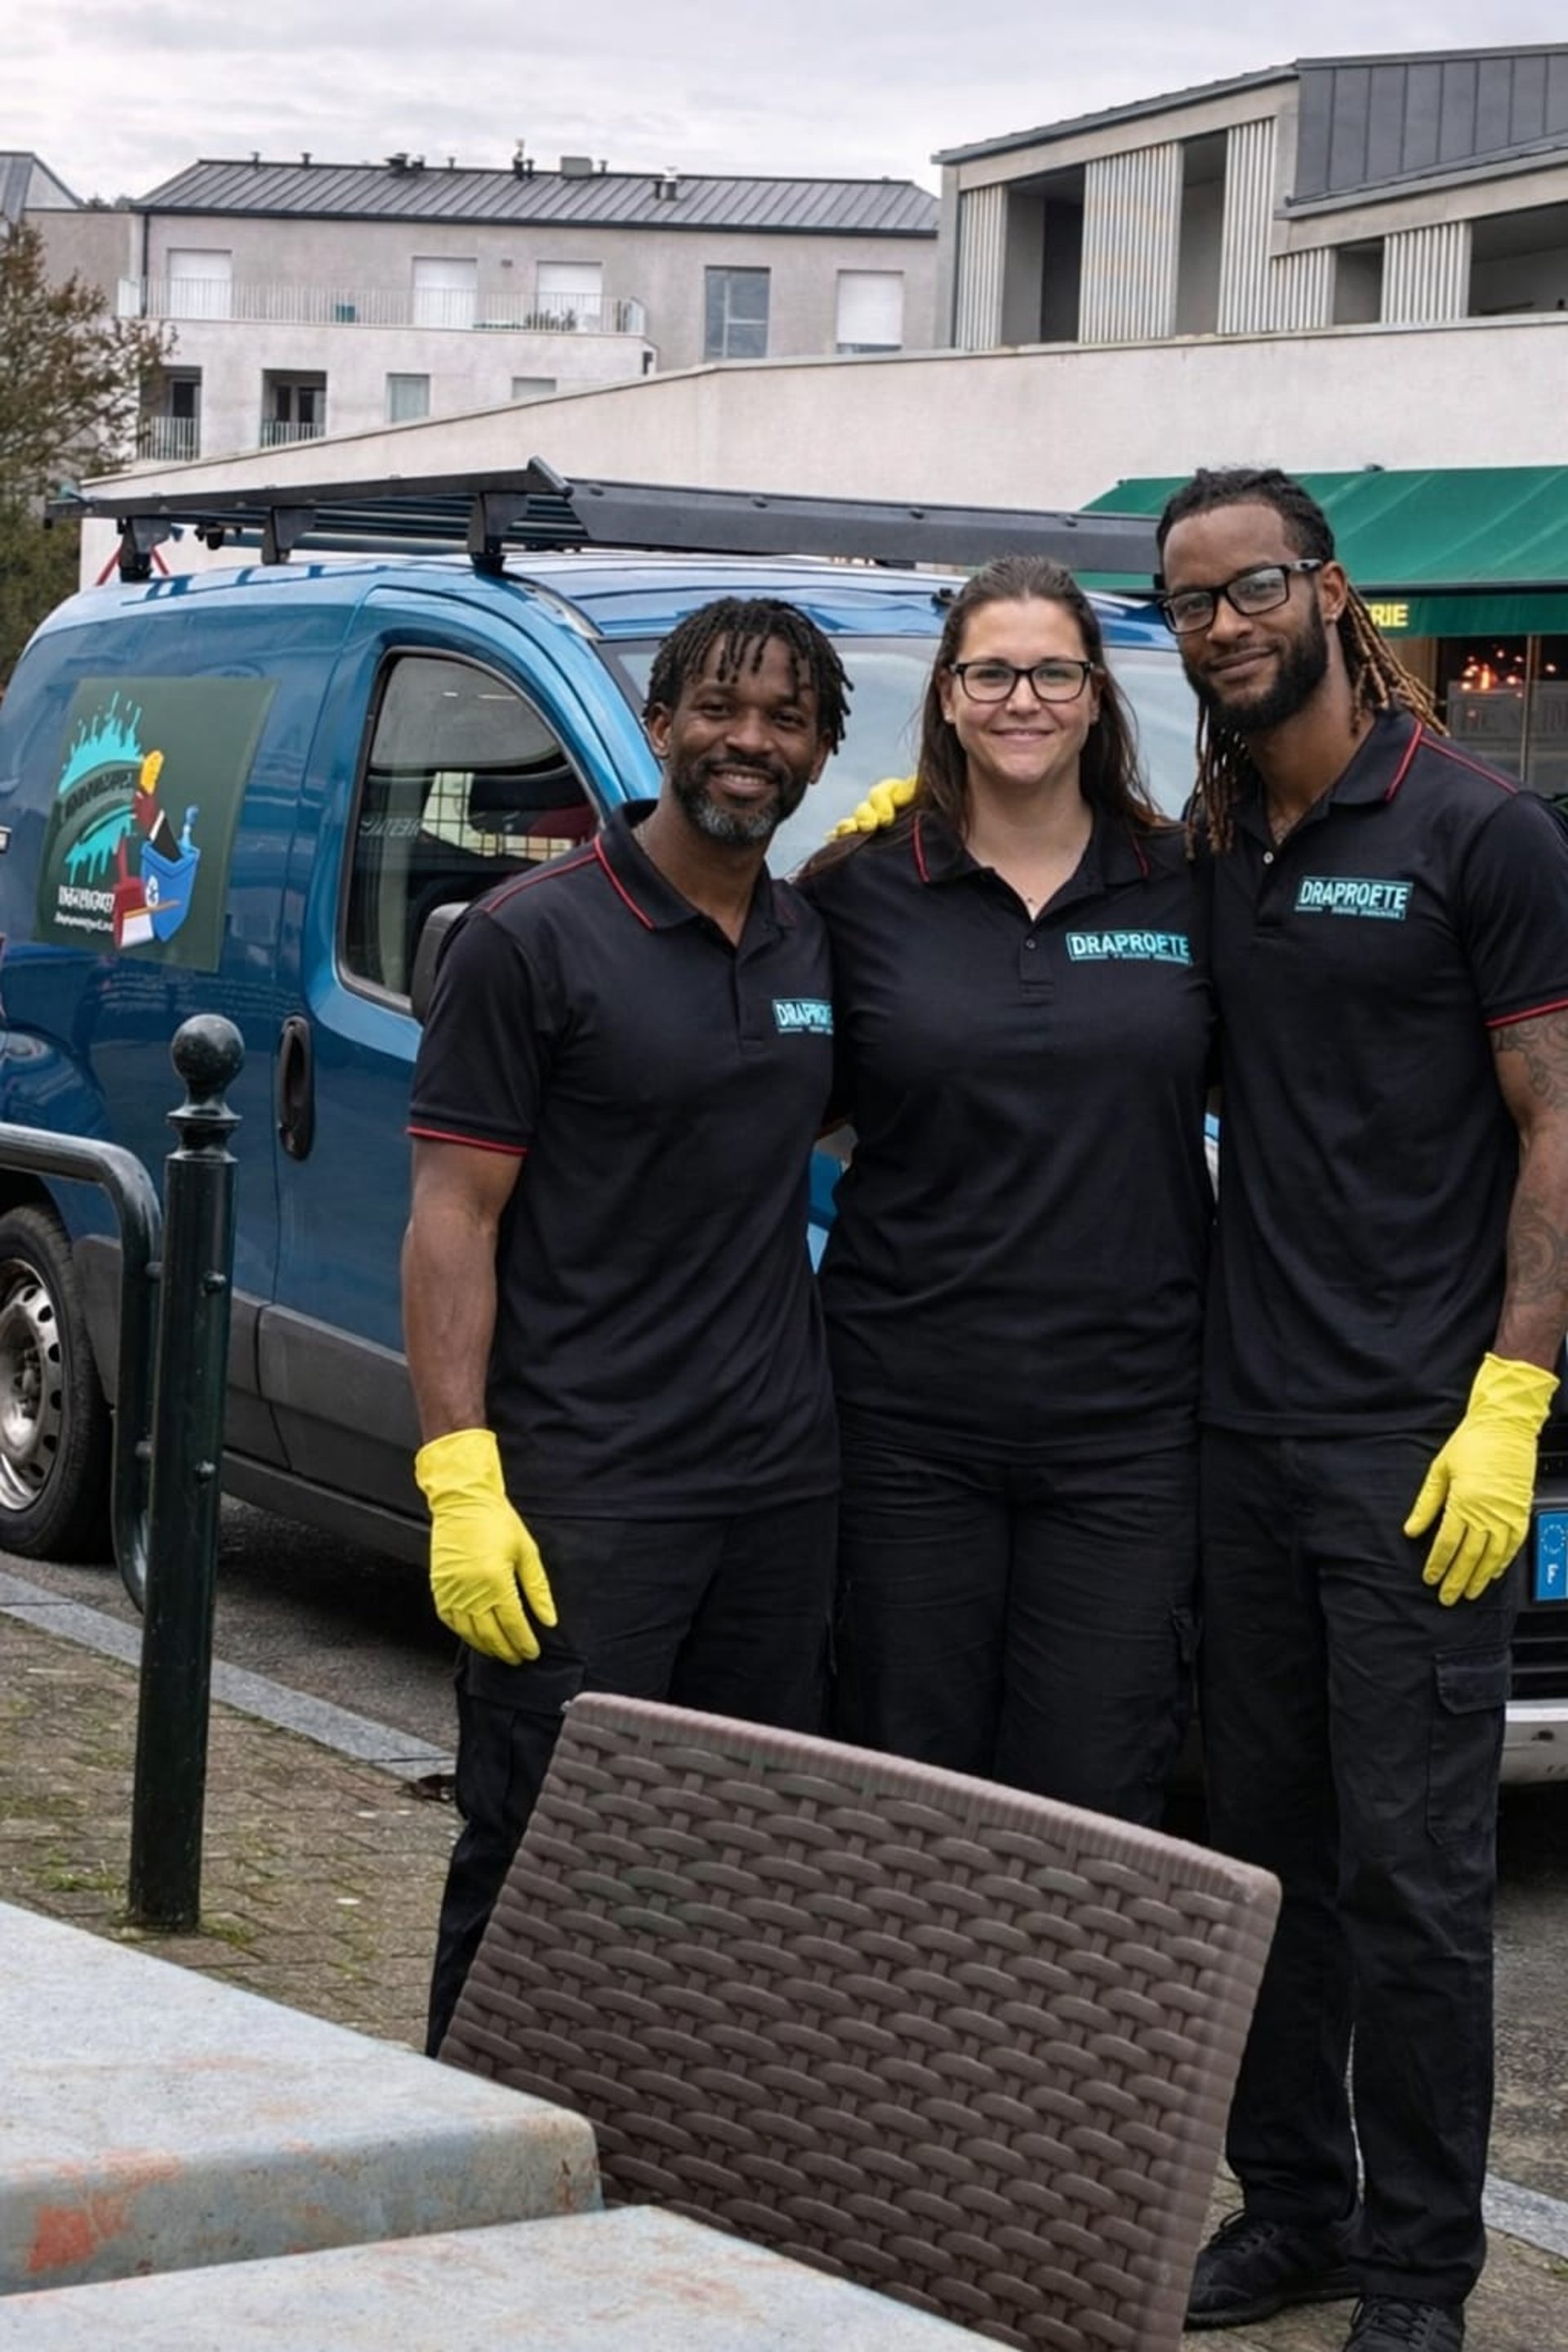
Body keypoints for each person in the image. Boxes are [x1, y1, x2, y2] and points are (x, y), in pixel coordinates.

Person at [1155, 468, 1568, 2352]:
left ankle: (1418, 2273)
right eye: (1188, 603)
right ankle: (1298, 2213)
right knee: (1271, 1854)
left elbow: (1558, 1121)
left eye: (1250, 588)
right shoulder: (1216, 841)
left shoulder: (1479, 829)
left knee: (1414, 1879)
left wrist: (1512, 1400)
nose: (1222, 625)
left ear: (1327, 592)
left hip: (1417, 1441)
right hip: (1241, 1436)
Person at [403, 596, 851, 2055]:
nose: (748, 741)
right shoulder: (531, 938)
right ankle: (481, 2145)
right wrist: (460, 1477)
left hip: (776, 1494)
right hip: (585, 1492)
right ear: (659, 725)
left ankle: (670, 2152)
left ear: (820, 753)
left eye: (786, 720)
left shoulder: (812, 943)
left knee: (727, 1860)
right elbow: (453, 1218)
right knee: (543, 1853)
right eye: (718, 709)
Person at [798, 555, 1213, 1826]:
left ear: (1096, 696)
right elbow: (750, 1106)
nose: (1022, 699)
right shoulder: (856, 890)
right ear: (948, 694)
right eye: (990, 673)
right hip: (906, 1424)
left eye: (1052, 673)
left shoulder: (1190, 880)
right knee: (906, 1788)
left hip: (1130, 1431)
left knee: (1096, 1795)